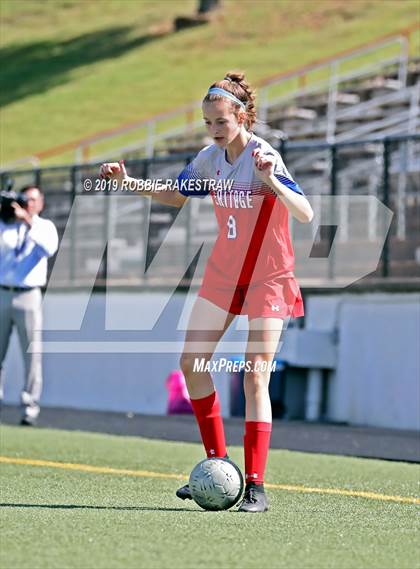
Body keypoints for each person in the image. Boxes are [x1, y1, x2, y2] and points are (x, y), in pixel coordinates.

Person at [100, 71, 313, 512]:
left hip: (269, 276)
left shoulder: (263, 154)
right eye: (207, 123)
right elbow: (175, 195)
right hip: (223, 273)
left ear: (242, 116)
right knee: (191, 364)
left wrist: (271, 179)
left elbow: (306, 213)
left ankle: (255, 486)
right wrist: (127, 182)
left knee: (256, 374)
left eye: (221, 121)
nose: (214, 130)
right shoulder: (209, 159)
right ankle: (219, 466)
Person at [0, 186, 59, 425]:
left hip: (29, 295)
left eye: (32, 200)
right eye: (25, 200)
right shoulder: (6, 225)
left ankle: (29, 406)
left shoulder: (44, 227)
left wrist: (28, 222)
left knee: (31, 354)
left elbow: (48, 248)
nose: (28, 204)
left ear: (41, 203)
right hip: (3, 293)